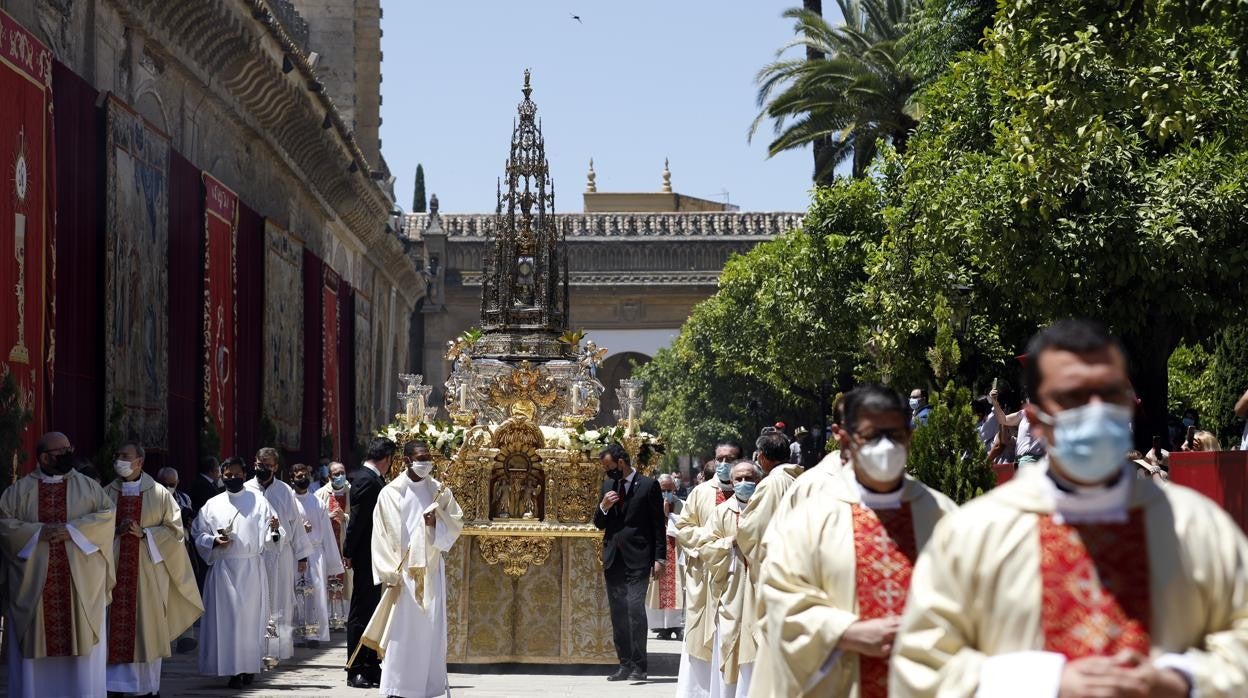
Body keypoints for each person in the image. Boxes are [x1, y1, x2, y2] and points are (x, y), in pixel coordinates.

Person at [891, 319, 1248, 697]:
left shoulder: (1194, 524)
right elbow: (921, 664)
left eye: (1109, 393)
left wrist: (1182, 679)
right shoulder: (977, 532)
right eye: (1074, 397)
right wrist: (1041, 683)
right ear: (1036, 419)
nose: (1095, 411)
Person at [750, 385, 957, 697]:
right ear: (843, 437)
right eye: (872, 436)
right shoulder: (811, 516)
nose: (886, 447)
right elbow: (777, 595)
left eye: (896, 435)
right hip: (838, 681)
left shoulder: (942, 516)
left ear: (910, 437)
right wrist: (845, 632)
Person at [0, 432, 115, 698]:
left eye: (69, 447)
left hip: (79, 587)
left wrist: (73, 530)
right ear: (44, 457)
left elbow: (107, 517)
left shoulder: (89, 487)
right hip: (35, 590)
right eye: (61, 450)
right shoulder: (17, 492)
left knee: (81, 658)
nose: (68, 453)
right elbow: (4, 526)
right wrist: (37, 533)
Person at [363, 440, 463, 698]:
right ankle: (398, 687)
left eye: (428, 457)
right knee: (402, 631)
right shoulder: (390, 493)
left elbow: (455, 524)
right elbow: (381, 534)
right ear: (406, 460)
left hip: (430, 570)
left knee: (429, 631)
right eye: (420, 457)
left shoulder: (439, 491)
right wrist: (389, 572)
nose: (426, 462)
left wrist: (434, 523)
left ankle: (426, 687)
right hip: (404, 572)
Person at [104, 442, 204, 697]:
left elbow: (175, 533)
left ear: (139, 461)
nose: (119, 460)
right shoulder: (105, 493)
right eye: (117, 456)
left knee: (145, 628)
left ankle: (146, 688)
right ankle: (111, 686)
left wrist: (145, 533)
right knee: (111, 628)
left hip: (147, 575)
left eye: (125, 456)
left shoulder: (160, 494)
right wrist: (114, 531)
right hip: (113, 575)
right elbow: (94, 528)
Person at [193, 457, 283, 688]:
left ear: (245, 474)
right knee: (228, 621)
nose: (232, 478)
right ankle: (231, 669)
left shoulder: (259, 501)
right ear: (221, 476)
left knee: (250, 621)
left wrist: (274, 530)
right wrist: (214, 540)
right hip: (223, 569)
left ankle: (249, 666)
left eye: (236, 474)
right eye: (227, 475)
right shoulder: (212, 504)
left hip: (251, 568)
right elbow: (197, 533)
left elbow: (274, 532)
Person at [595, 443, 666, 682]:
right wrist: (604, 506)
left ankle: (639, 666)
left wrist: (659, 558)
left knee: (634, 610)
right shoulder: (607, 486)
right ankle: (623, 663)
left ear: (621, 463)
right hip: (614, 558)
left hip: (638, 558)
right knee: (618, 613)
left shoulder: (648, 485)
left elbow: (658, 525)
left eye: (609, 466)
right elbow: (599, 523)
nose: (607, 471)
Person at [674, 442, 741, 698]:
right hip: (704, 575)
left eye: (730, 459)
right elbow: (684, 529)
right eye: (720, 459)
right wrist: (718, 540)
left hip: (737, 578)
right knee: (701, 635)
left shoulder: (752, 493)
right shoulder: (700, 492)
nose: (725, 464)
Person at [246, 447, 311, 661]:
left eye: (268, 465)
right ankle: (255, 648)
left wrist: (302, 556)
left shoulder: (284, 491)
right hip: (255, 555)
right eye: (260, 464)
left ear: (275, 467)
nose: (263, 468)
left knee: (280, 602)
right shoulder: (246, 490)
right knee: (255, 603)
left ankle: (277, 649)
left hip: (281, 555)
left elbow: (296, 525)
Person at [706, 461, 764, 696]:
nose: (743, 483)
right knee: (731, 640)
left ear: (758, 480)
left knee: (759, 641)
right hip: (732, 587)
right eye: (738, 479)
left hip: (761, 587)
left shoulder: (766, 510)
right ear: (730, 481)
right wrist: (729, 542)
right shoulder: (721, 512)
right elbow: (706, 547)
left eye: (748, 478)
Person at [343, 437, 395, 689]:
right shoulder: (366, 479)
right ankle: (355, 668)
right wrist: (348, 551)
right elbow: (358, 520)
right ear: (386, 459)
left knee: (374, 611)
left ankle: (372, 666)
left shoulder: (372, 478)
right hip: (365, 555)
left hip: (374, 554)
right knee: (361, 612)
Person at [737, 429, 802, 589]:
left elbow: (754, 529)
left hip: (778, 566)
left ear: (761, 456)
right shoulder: (800, 479)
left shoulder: (771, 483)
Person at [289, 462, 344, 650]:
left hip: (315, 553)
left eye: (305, 475)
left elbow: (327, 534)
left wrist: (333, 565)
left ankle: (313, 633)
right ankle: (297, 633)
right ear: (292, 479)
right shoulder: (288, 502)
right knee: (296, 594)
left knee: (315, 594)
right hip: (295, 554)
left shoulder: (317, 502)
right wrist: (298, 530)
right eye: (298, 476)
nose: (302, 479)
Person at [157, 466, 201, 655]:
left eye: (172, 484)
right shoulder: (151, 497)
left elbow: (191, 525)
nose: (168, 488)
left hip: (182, 550)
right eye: (164, 484)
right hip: (158, 552)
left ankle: (186, 633)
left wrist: (187, 519)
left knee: (184, 590)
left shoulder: (184, 498)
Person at [647, 473, 685, 640]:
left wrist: (670, 515)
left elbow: (686, 526)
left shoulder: (683, 505)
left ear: (675, 489)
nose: (667, 493)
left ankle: (676, 625)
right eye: (663, 490)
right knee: (656, 589)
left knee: (678, 588)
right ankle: (661, 626)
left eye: (670, 490)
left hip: (677, 553)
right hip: (658, 553)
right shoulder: (649, 504)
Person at [315, 460, 352, 602]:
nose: (341, 476)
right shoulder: (320, 494)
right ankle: (330, 613)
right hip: (327, 545)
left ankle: (345, 613)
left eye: (343, 473)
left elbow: (359, 517)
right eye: (337, 474)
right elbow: (314, 518)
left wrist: (346, 517)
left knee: (347, 581)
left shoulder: (352, 491)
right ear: (329, 477)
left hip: (346, 544)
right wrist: (326, 517)